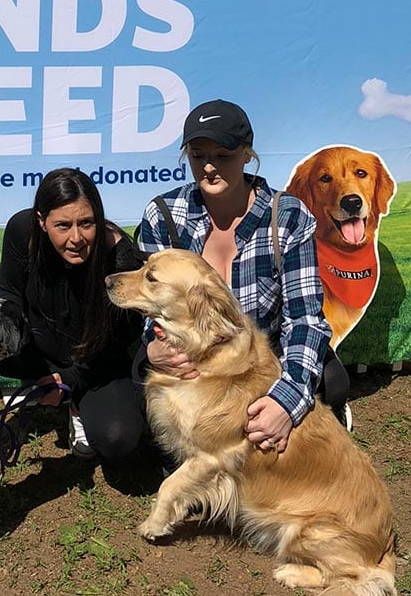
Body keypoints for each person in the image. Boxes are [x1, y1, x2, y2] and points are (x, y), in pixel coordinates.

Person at [136, 99, 350, 456]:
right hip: (195, 366)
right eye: (197, 154)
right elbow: (151, 309)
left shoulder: (287, 217)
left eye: (224, 155)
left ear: (248, 155)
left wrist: (287, 401)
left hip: (260, 367)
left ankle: (316, 411)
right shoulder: (163, 216)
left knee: (279, 445)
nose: (208, 167)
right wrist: (154, 346)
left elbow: (305, 319)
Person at [0, 167, 146, 489]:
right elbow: (9, 297)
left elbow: (121, 340)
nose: (76, 238)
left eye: (86, 223)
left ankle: (76, 403)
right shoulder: (21, 231)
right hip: (36, 348)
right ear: (41, 221)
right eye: (63, 225)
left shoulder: (119, 256)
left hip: (94, 360)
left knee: (119, 439)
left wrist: (71, 379)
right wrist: (5, 335)